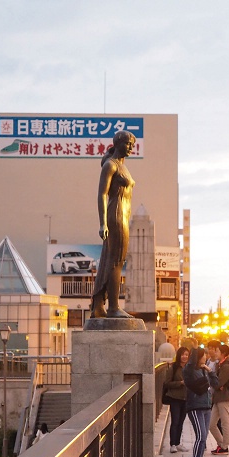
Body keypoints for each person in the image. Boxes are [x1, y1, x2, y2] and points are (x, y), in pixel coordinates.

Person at [90, 130, 136, 319]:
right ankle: (114, 307)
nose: (130, 147)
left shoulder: (123, 167)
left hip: (124, 216)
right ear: (117, 143)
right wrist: (103, 223)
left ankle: (102, 304)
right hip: (115, 214)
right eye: (127, 143)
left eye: (132, 144)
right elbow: (102, 194)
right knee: (115, 261)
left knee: (116, 260)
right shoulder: (110, 165)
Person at [183, 347, 218, 457]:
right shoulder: (189, 370)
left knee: (204, 436)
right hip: (195, 406)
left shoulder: (204, 370)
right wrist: (196, 349)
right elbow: (191, 363)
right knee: (201, 436)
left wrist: (210, 370)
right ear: (198, 357)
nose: (206, 357)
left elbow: (215, 383)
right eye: (203, 355)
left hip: (206, 406)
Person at [209, 344, 229, 455]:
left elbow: (218, 382)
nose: (216, 353)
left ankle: (225, 446)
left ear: (223, 353)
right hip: (217, 398)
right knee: (211, 424)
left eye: (218, 351)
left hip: (224, 398)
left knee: (225, 423)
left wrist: (217, 383)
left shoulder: (226, 366)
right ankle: (221, 444)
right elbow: (217, 383)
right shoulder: (220, 365)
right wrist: (216, 383)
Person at [164, 346, 190, 454]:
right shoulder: (173, 368)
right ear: (179, 355)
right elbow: (167, 383)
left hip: (186, 398)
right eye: (183, 354)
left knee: (181, 421)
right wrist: (180, 383)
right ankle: (172, 444)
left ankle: (178, 443)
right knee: (175, 421)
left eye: (186, 355)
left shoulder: (189, 368)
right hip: (175, 397)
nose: (184, 357)